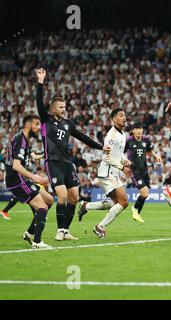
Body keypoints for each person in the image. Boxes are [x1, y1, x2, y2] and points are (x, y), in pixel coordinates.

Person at [35, 68, 109, 241]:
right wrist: (40, 82)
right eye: (61, 107)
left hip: (67, 163)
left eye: (65, 107)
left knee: (74, 197)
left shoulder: (68, 124)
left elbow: (82, 137)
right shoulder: (46, 120)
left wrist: (100, 147)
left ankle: (66, 231)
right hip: (52, 161)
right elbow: (39, 102)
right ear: (53, 109)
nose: (64, 109)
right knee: (62, 195)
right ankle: (59, 231)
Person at [78, 109, 131, 238]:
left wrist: (125, 161)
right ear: (114, 119)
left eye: (124, 115)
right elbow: (106, 157)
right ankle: (100, 226)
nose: (124, 118)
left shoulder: (122, 134)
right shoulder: (111, 135)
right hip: (107, 172)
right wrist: (122, 167)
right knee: (124, 202)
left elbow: (117, 154)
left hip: (113, 171)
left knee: (115, 203)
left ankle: (87, 205)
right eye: (120, 115)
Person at [5, 115, 54, 248]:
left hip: (21, 178)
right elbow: (16, 165)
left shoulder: (24, 139)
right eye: (37, 124)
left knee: (49, 200)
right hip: (17, 180)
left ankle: (29, 233)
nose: (39, 128)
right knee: (42, 207)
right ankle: (37, 242)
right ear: (28, 125)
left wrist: (46, 153)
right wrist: (35, 177)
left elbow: (33, 156)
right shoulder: (21, 139)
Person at [124, 123, 162, 223]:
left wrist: (156, 156)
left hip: (144, 170)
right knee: (144, 193)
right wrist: (123, 165)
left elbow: (150, 150)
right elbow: (119, 153)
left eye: (140, 128)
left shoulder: (146, 140)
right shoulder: (128, 141)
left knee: (146, 194)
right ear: (133, 131)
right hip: (134, 170)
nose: (139, 130)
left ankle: (136, 212)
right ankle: (135, 211)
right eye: (137, 128)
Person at [1, 152, 45, 220]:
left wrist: (43, 155)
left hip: (22, 177)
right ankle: (37, 213)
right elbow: (16, 165)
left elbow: (34, 156)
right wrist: (33, 177)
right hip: (17, 177)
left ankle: (5, 211)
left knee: (30, 193)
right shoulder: (20, 146)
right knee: (31, 194)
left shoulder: (26, 148)